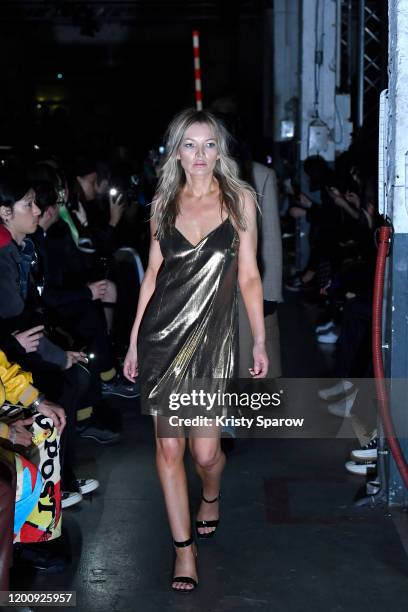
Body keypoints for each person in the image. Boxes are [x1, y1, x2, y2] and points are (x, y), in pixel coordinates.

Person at [123, 109, 268, 592]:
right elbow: (151, 276)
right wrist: (132, 342)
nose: (200, 154)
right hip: (162, 337)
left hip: (212, 342)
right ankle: (184, 551)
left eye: (208, 144)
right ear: (176, 151)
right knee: (168, 448)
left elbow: (248, 275)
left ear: (220, 149)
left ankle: (211, 494)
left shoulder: (239, 198)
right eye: (190, 144)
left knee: (206, 453)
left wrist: (259, 339)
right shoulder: (163, 202)